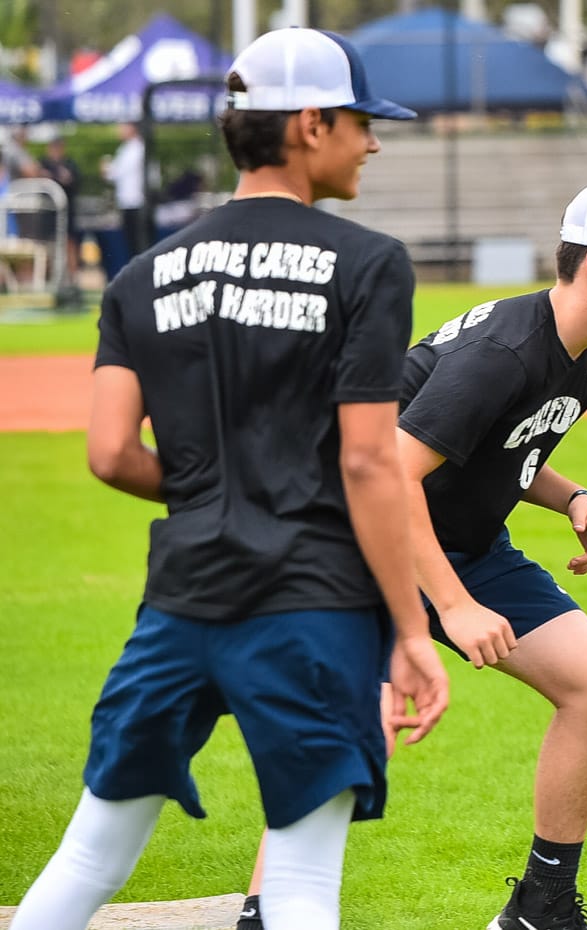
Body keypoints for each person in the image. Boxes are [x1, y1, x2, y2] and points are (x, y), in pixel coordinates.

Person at [9, 27, 451, 930]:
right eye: (362, 121)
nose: (372, 141)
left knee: (90, 856)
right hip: (312, 607)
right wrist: (411, 629)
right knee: (298, 885)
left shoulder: (141, 274)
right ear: (312, 124)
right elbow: (369, 459)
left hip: (179, 603)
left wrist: (220, 490)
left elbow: (108, 452)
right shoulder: (368, 265)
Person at [236, 178, 587, 930]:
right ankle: (267, 915)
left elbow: (492, 446)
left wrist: (569, 496)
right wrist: (452, 607)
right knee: (362, 727)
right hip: (353, 536)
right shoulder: (505, 351)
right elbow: (392, 476)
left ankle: (542, 906)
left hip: (465, 541)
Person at [36, 135, 84, 287]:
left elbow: (74, 182)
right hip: (47, 215)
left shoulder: (69, 164)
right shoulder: (43, 163)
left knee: (70, 244)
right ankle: (46, 280)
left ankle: (73, 280)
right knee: (46, 247)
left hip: (67, 213)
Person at [101, 121, 150, 259]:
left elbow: (114, 173)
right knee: (133, 244)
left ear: (131, 128)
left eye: (122, 126)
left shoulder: (137, 149)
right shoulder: (126, 149)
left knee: (137, 244)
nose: (119, 129)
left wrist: (107, 169)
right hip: (129, 202)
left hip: (136, 202)